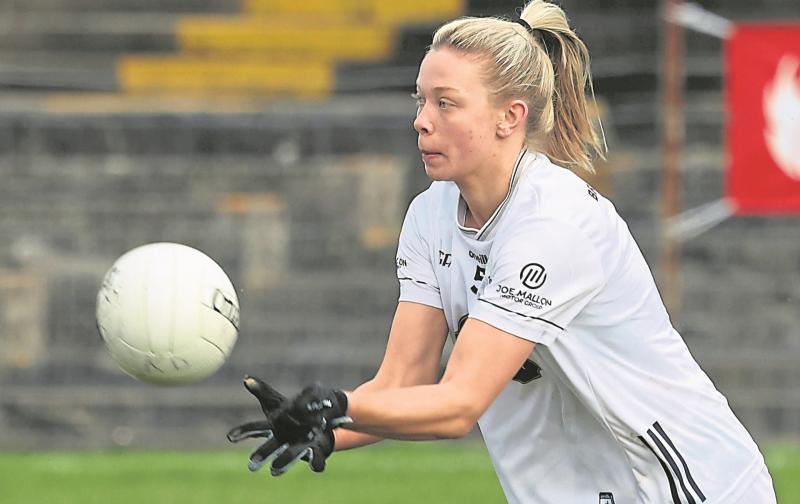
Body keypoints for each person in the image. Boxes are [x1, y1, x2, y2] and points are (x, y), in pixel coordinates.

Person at [228, 1, 777, 502]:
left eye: (446, 103)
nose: (422, 120)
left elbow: (460, 404)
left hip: (687, 489)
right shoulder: (429, 216)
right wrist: (321, 426)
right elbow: (403, 384)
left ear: (509, 118)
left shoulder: (554, 224)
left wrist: (339, 405)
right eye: (421, 100)